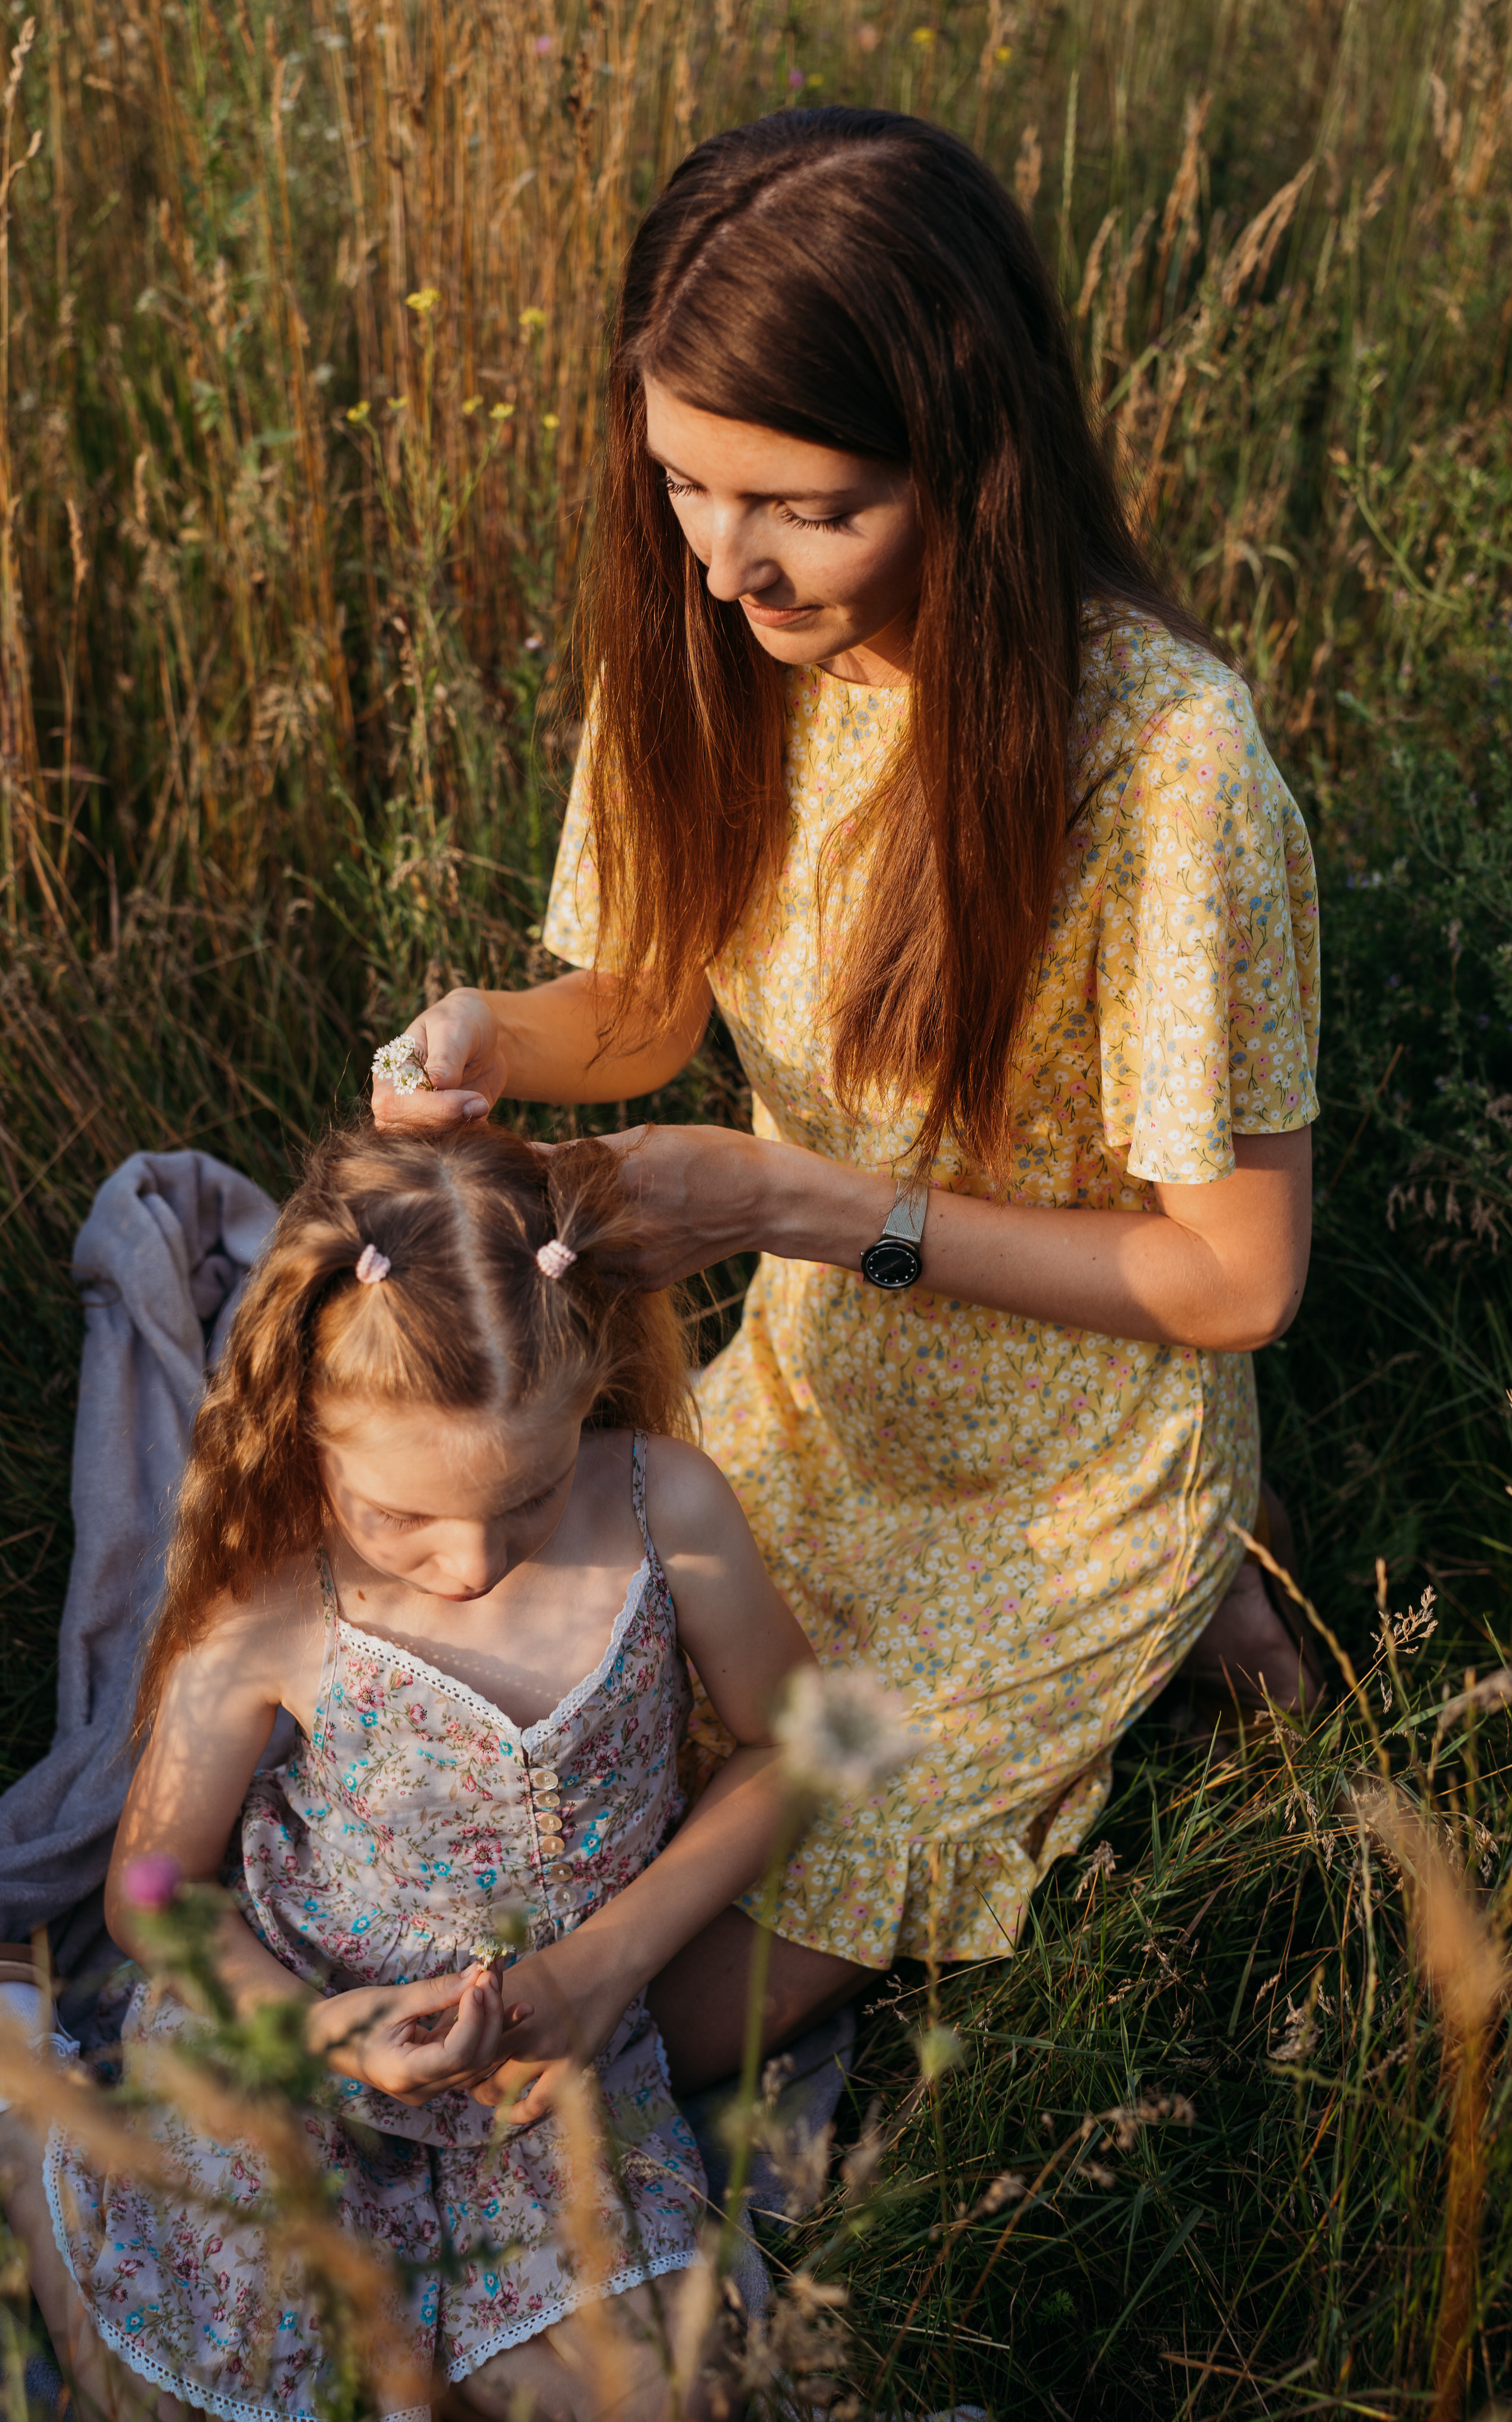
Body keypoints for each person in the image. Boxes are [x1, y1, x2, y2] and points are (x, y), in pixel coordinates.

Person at [373, 107, 1322, 2090]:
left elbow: (1234, 1282)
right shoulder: (710, 640)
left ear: (970, 464)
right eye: (684, 486)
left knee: (674, 2022)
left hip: (1073, 1468)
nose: (727, 561)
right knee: (535, 1810)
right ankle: (1224, 1626)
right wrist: (491, 1037)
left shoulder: (1165, 767)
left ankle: (1196, 1580)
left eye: (804, 503)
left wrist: (802, 1206)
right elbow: (640, 998)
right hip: (805, 1411)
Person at [0, 1122, 816, 2421]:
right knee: (210, 2397)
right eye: (403, 1516)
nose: (470, 1562)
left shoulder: (662, 1513)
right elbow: (149, 1888)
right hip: (302, 2033)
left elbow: (788, 1745)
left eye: (523, 1495)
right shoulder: (273, 1602)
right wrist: (322, 2033)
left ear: (585, 1389)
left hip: (548, 2064)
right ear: (306, 1428)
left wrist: (607, 1962)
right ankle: (18, 2111)